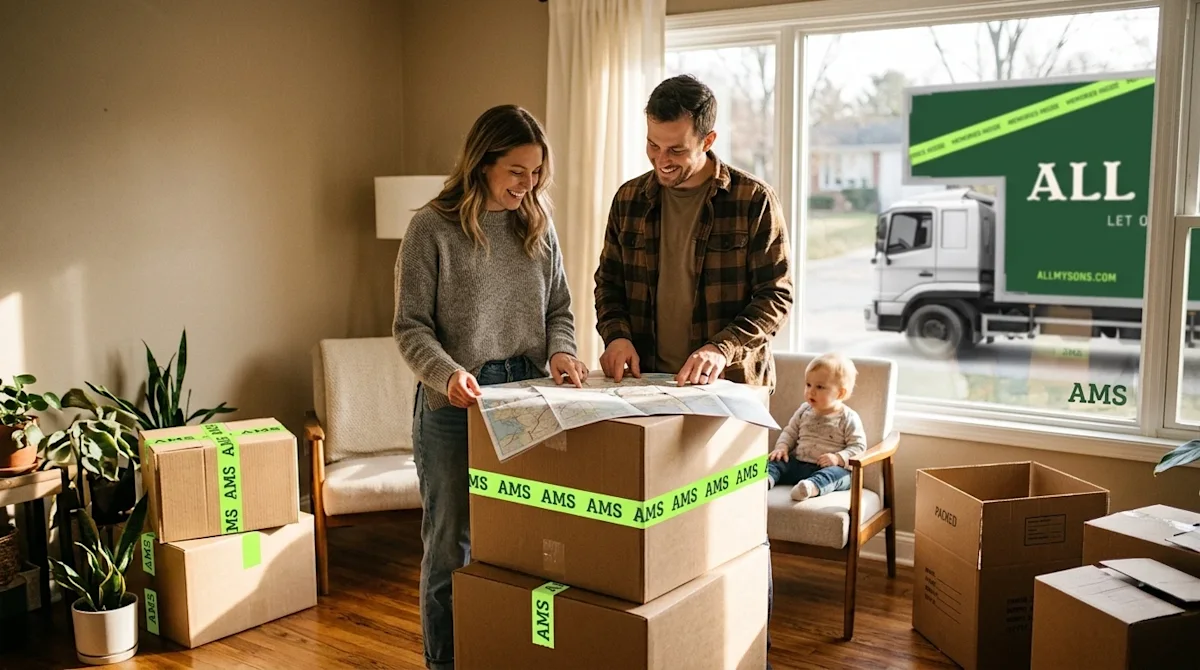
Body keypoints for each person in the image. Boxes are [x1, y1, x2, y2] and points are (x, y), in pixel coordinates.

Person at [592, 74, 793, 669]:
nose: (661, 160)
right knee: (661, 537)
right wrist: (617, 333)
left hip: (731, 395)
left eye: (675, 149)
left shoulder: (753, 200)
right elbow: (608, 282)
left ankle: (746, 649)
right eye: (652, 146)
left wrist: (721, 349)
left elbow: (776, 295)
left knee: (735, 536)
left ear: (708, 138)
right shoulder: (631, 198)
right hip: (651, 393)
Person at [393, 104, 588, 670]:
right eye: (518, 172)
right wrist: (447, 375)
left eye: (536, 174)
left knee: (526, 541)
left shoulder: (537, 222)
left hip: (527, 400)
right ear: (482, 163)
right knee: (452, 548)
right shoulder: (431, 227)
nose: (529, 186)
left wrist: (562, 351)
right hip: (454, 404)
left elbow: (560, 310)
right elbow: (410, 326)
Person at [768, 353, 867, 500]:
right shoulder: (804, 410)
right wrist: (782, 447)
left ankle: (810, 487)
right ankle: (765, 479)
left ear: (840, 393)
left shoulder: (847, 417)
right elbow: (790, 432)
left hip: (828, 468)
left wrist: (838, 458)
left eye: (820, 387)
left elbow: (859, 447)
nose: (811, 391)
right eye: (808, 385)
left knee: (840, 475)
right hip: (798, 463)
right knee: (776, 462)